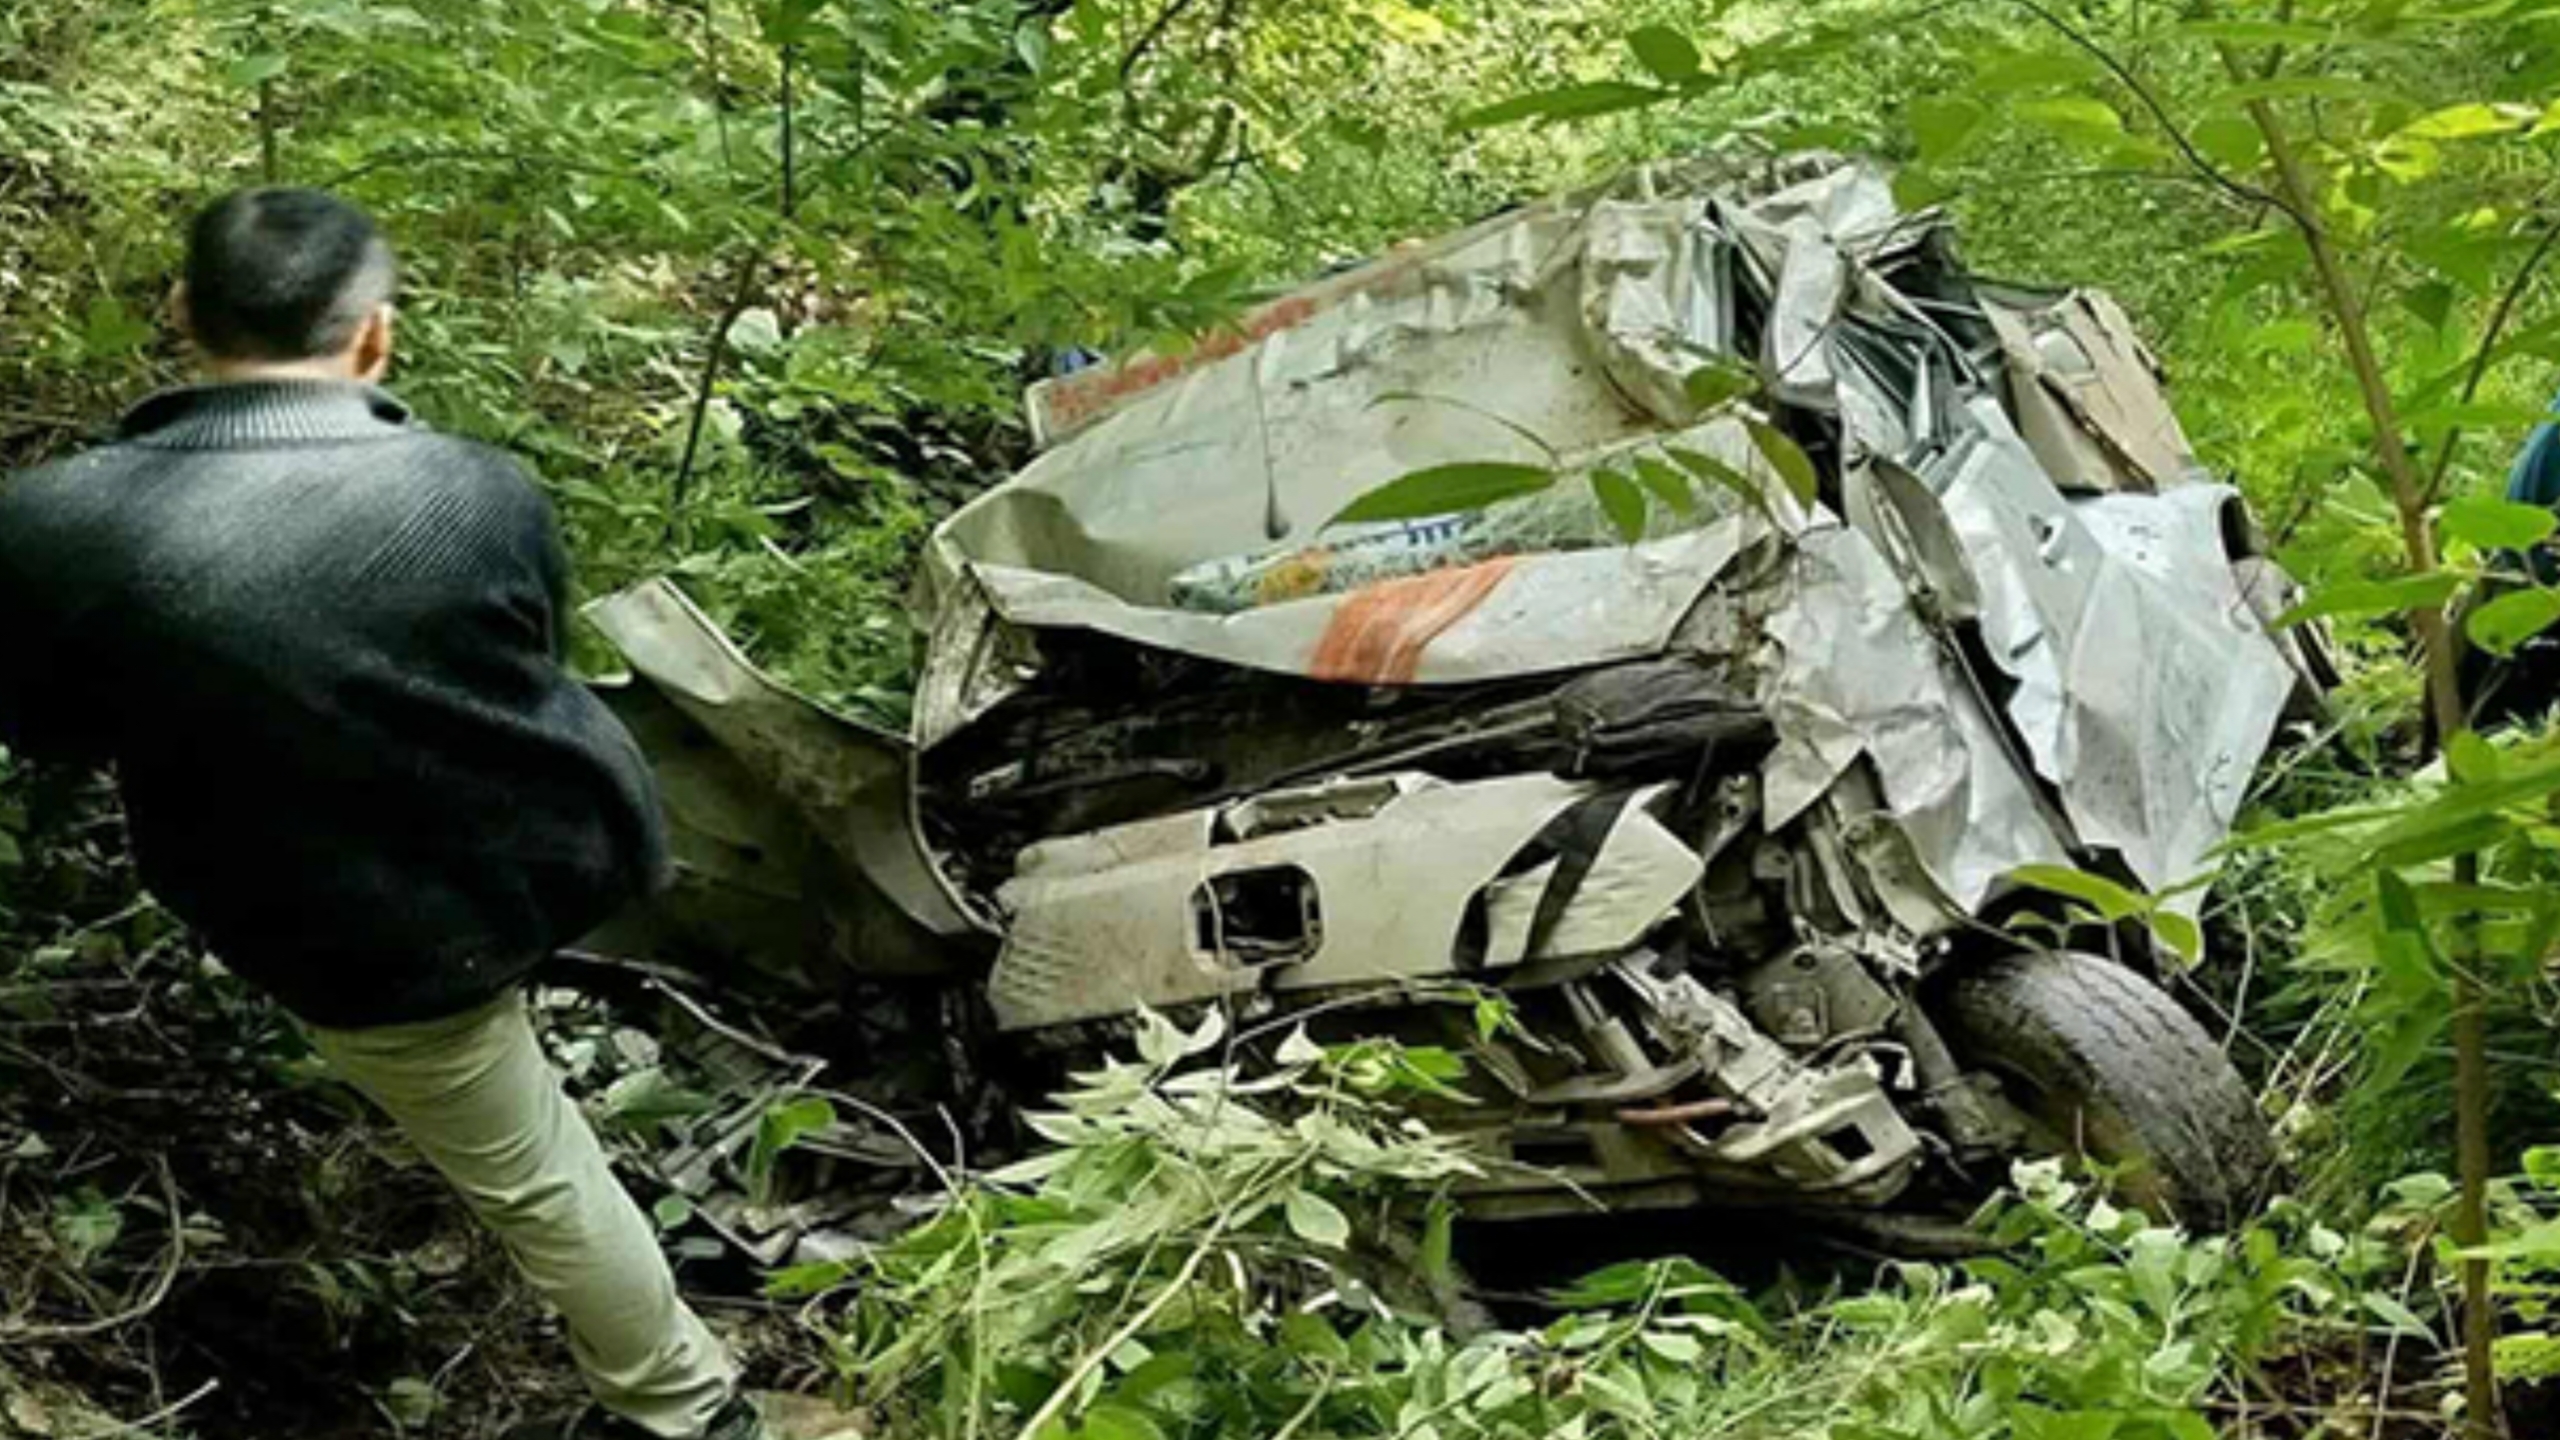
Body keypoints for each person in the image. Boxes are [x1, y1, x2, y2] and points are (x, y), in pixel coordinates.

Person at [0, 189, 763, 1440]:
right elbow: (521, 660)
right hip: (566, 850)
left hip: (374, 929)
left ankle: (692, 1409)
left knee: (532, 1178)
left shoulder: (48, 524)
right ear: (375, 336)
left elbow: (56, 732)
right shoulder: (477, 488)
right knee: (515, 1098)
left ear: (181, 313)